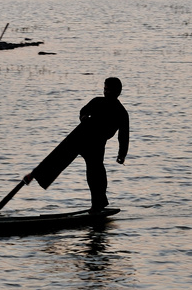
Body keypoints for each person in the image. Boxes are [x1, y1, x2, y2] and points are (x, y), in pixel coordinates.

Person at [25, 77, 130, 213]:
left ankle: (98, 204)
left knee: (95, 173)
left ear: (117, 92)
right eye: (105, 89)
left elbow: (124, 136)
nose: (106, 92)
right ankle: (35, 174)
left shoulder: (121, 112)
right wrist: (83, 117)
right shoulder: (98, 101)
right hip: (81, 135)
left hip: (97, 144)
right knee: (59, 155)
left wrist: (122, 154)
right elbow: (84, 110)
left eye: (109, 90)